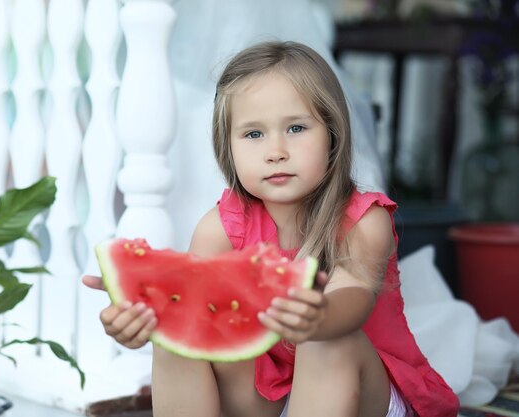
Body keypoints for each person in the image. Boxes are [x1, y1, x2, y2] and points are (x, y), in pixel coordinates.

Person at [82, 41, 459, 417]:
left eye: (296, 128)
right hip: (271, 396)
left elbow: (354, 298)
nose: (275, 150)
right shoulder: (220, 229)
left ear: (332, 134)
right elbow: (189, 304)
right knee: (179, 333)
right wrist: (143, 312)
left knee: (325, 340)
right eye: (253, 134)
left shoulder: (363, 219)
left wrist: (318, 316)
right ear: (227, 148)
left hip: (365, 395)